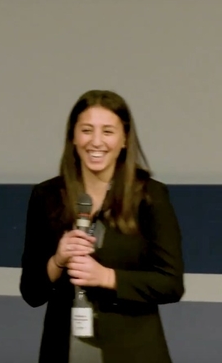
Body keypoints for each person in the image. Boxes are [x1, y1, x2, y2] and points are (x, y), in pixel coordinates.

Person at [19, 90, 184, 363]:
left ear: (124, 140)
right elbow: (31, 292)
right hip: (64, 351)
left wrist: (106, 277)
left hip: (133, 352)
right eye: (86, 130)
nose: (96, 142)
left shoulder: (150, 196)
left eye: (108, 131)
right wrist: (58, 260)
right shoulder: (46, 196)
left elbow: (170, 284)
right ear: (73, 137)